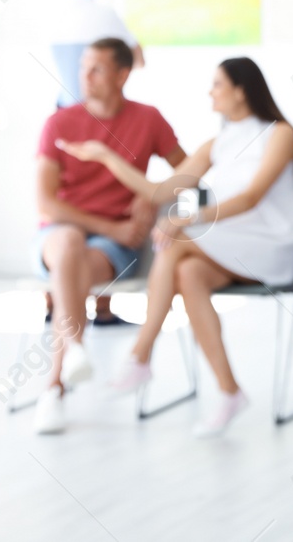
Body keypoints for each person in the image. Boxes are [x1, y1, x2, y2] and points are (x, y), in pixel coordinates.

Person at [57, 56, 293, 438]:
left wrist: (188, 218)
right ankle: (229, 391)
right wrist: (106, 156)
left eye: (218, 84)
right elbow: (160, 190)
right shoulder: (217, 144)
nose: (210, 92)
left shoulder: (280, 134)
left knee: (174, 239)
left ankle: (141, 353)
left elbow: (252, 199)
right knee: (188, 274)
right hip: (233, 245)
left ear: (241, 91)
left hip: (275, 245)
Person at [31, 37, 186, 435]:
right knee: (67, 243)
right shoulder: (59, 123)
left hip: (113, 248)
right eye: (83, 67)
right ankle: (66, 364)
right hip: (62, 234)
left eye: (97, 68)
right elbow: (45, 203)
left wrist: (150, 196)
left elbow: (189, 175)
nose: (86, 77)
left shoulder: (148, 119)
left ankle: (56, 384)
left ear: (123, 73)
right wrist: (109, 225)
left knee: (75, 261)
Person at [48, 0, 145, 326]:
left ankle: (53, 302)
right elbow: (135, 57)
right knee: (107, 196)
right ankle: (102, 307)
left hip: (61, 114)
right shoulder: (105, 16)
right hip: (100, 122)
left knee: (62, 205)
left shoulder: (58, 17)